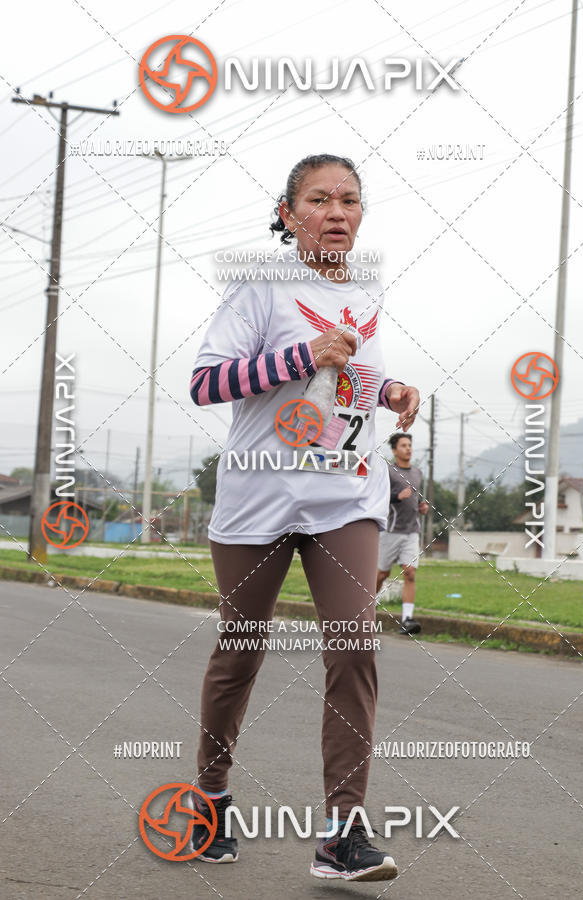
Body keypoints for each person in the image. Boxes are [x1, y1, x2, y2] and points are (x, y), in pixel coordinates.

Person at [189, 153, 420, 881]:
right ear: (289, 215)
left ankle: (340, 836)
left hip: (345, 493)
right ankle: (211, 795)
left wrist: (389, 393)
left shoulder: (367, 287)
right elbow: (206, 382)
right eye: (319, 200)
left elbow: (350, 370)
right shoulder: (260, 286)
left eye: (349, 200)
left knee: (355, 643)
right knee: (241, 650)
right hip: (259, 497)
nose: (337, 212)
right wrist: (298, 354)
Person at [376, 433, 429, 635]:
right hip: (391, 531)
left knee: (410, 573)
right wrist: (397, 496)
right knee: (382, 574)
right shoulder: (388, 472)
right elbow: (379, 496)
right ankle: (367, 610)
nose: (408, 449)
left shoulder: (417, 473)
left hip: (411, 532)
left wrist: (421, 507)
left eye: (410, 445)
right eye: (404, 445)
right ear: (394, 450)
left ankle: (407, 620)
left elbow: (415, 499)